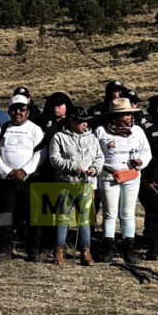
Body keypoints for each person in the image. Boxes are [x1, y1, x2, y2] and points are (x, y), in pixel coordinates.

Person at [94, 97, 151, 262]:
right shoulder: (101, 131)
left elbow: (146, 152)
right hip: (108, 175)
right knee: (110, 213)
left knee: (128, 213)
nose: (126, 117)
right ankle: (107, 249)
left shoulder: (138, 131)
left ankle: (128, 249)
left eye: (128, 113)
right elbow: (95, 153)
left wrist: (141, 161)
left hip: (131, 176)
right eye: (123, 114)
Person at [0, 95, 45, 261]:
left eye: (22, 109)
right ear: (9, 110)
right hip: (7, 181)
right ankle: (4, 249)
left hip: (28, 181)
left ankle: (33, 250)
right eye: (14, 109)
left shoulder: (35, 129)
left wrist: (25, 171)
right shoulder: (2, 129)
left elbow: (41, 153)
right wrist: (7, 172)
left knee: (31, 217)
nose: (18, 112)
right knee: (5, 217)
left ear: (27, 111)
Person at [48, 108, 103, 266]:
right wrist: (72, 166)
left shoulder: (92, 138)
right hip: (66, 183)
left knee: (84, 219)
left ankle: (85, 251)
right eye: (80, 120)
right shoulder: (59, 137)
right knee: (63, 217)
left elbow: (99, 156)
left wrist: (94, 169)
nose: (84, 123)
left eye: (86, 120)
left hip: (85, 184)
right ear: (71, 121)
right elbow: (54, 159)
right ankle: (59, 250)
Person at [138, 95, 158, 260]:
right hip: (155, 173)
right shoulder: (148, 130)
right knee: (155, 210)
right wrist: (145, 179)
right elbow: (144, 156)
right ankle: (153, 247)